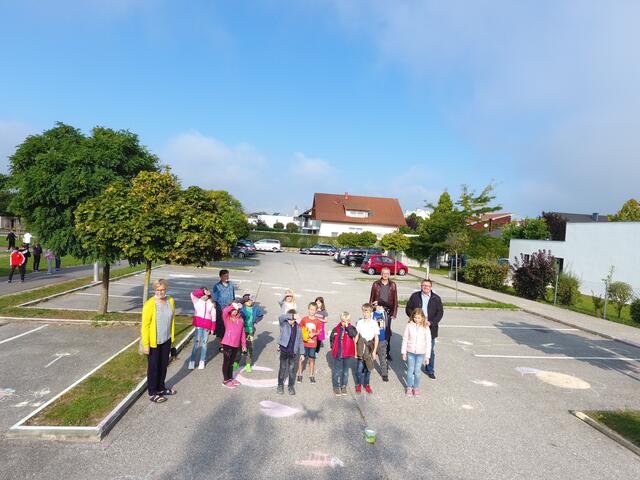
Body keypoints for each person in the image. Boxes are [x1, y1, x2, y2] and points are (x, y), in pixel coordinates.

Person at [141, 279, 177, 404]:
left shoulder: (170, 301)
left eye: (162, 289)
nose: (160, 292)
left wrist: (172, 339)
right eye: (157, 290)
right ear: (154, 290)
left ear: (165, 289)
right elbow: (145, 326)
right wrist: (146, 345)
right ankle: (152, 392)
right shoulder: (150, 304)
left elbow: (171, 321)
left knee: (163, 365)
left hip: (166, 339)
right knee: (153, 367)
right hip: (154, 342)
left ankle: (161, 388)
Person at [405, 279, 444, 379]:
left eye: (428, 285)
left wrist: (431, 322)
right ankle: (413, 369)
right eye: (424, 285)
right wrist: (415, 318)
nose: (426, 287)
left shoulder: (436, 298)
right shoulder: (415, 296)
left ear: (431, 287)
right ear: (421, 286)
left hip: (430, 327)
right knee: (414, 349)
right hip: (416, 326)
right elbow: (408, 308)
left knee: (430, 349)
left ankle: (430, 369)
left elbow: (440, 313)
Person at [401, 309, 432, 397]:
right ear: (412, 317)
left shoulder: (426, 327)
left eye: (419, 318)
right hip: (410, 352)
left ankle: (416, 387)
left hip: (421, 353)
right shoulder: (409, 326)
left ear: (422, 318)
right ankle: (409, 387)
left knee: (417, 371)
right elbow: (405, 339)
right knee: (410, 370)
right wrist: (403, 352)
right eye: (415, 317)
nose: (417, 319)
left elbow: (428, 342)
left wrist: (427, 357)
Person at [369, 267, 398, 361]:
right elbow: (371, 298)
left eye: (387, 273)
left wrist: (394, 313)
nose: (385, 275)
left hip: (388, 312)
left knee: (387, 332)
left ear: (389, 274)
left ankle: (387, 351)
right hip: (377, 311)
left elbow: (395, 300)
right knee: (376, 330)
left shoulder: (393, 285)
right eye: (384, 273)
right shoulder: (376, 284)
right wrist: (370, 311)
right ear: (381, 274)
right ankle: (374, 349)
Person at [277, 309, 304, 395]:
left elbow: (300, 340)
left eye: (292, 319)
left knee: (292, 370)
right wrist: (291, 316)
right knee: (282, 368)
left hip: (293, 352)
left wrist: (302, 353)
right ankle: (280, 385)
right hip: (284, 350)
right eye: (289, 319)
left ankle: (290, 386)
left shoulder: (299, 328)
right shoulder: (283, 324)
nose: (291, 321)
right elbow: (281, 317)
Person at [329, 312, 357, 396]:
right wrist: (333, 347)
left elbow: (354, 334)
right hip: (338, 354)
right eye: (343, 321)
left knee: (345, 372)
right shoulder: (336, 329)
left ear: (349, 321)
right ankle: (336, 387)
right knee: (337, 371)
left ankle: (343, 386)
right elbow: (332, 338)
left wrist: (348, 327)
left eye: (346, 321)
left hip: (347, 354)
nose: (344, 323)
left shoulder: (351, 328)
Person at [188, 288, 216, 370]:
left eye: (206, 295)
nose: (204, 296)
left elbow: (213, 316)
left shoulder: (211, 303)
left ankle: (202, 361)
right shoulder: (196, 301)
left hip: (207, 326)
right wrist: (203, 291)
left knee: (204, 344)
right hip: (198, 326)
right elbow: (192, 294)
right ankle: (192, 361)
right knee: (196, 344)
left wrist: (212, 328)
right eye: (203, 294)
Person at [220, 302, 246, 389]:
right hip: (227, 343)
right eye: (233, 310)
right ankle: (225, 380)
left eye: (236, 310)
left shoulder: (241, 320)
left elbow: (242, 333)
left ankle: (230, 378)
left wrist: (243, 344)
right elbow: (224, 311)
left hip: (236, 344)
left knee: (231, 362)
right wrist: (232, 306)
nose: (234, 312)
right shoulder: (227, 318)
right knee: (226, 362)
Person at [354, 303, 379, 394]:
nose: (365, 314)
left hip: (370, 348)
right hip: (361, 347)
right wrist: (355, 349)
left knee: (368, 368)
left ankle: (367, 384)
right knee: (359, 369)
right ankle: (358, 384)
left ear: (370, 312)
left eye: (367, 312)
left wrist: (374, 351)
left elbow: (376, 338)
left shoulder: (374, 323)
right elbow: (356, 336)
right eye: (364, 312)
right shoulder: (360, 322)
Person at [296, 302, 322, 384]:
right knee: (301, 358)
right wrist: (303, 335)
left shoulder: (317, 321)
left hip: (313, 344)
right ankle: (299, 374)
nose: (312, 311)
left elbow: (319, 332)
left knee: (312, 359)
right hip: (304, 343)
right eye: (310, 309)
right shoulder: (304, 319)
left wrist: (314, 333)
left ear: (316, 311)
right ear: (308, 309)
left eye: (314, 310)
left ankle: (311, 375)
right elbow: (299, 329)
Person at [239, 294, 263, 372]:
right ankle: (236, 361)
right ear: (244, 301)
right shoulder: (241, 307)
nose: (249, 301)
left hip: (250, 331)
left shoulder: (255, 308)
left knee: (249, 346)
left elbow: (261, 315)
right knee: (239, 346)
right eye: (247, 300)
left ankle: (248, 363)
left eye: (251, 300)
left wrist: (256, 321)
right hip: (241, 331)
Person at [212, 269, 236, 346]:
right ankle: (222, 344)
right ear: (221, 276)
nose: (226, 277)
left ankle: (229, 342)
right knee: (221, 327)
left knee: (229, 326)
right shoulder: (217, 286)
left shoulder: (231, 284)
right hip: (221, 310)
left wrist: (233, 304)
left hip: (230, 310)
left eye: (227, 275)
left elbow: (233, 296)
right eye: (225, 275)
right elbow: (215, 299)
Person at [373, 304, 389, 381]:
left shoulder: (384, 314)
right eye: (377, 305)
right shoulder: (372, 314)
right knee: (368, 355)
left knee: (382, 357)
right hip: (372, 339)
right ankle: (366, 368)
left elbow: (387, 326)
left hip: (382, 339)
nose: (379, 307)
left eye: (381, 305)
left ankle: (384, 373)